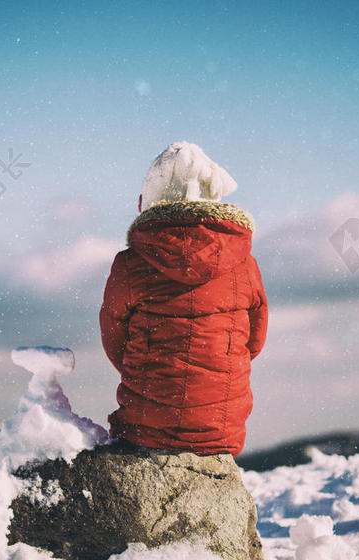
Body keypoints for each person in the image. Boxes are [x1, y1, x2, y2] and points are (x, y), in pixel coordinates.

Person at [99, 141, 268, 457]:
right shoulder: (244, 264)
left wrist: (151, 373)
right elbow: (254, 342)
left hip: (145, 429)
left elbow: (114, 340)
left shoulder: (129, 263)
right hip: (221, 430)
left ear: (151, 198)